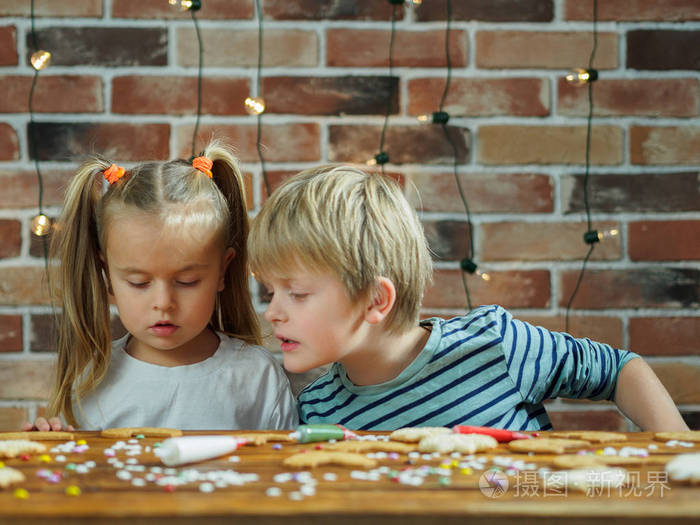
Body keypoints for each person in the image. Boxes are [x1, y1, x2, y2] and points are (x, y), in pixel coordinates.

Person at [247, 165, 689, 432]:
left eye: (297, 293)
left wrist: (678, 450)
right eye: (270, 292)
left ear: (375, 301)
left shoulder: (493, 344)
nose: (273, 312)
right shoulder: (318, 409)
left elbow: (618, 369)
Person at [24, 140, 298, 431]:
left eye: (187, 281)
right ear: (108, 275)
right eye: (139, 283)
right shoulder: (89, 378)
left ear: (223, 271)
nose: (164, 302)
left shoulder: (257, 377)